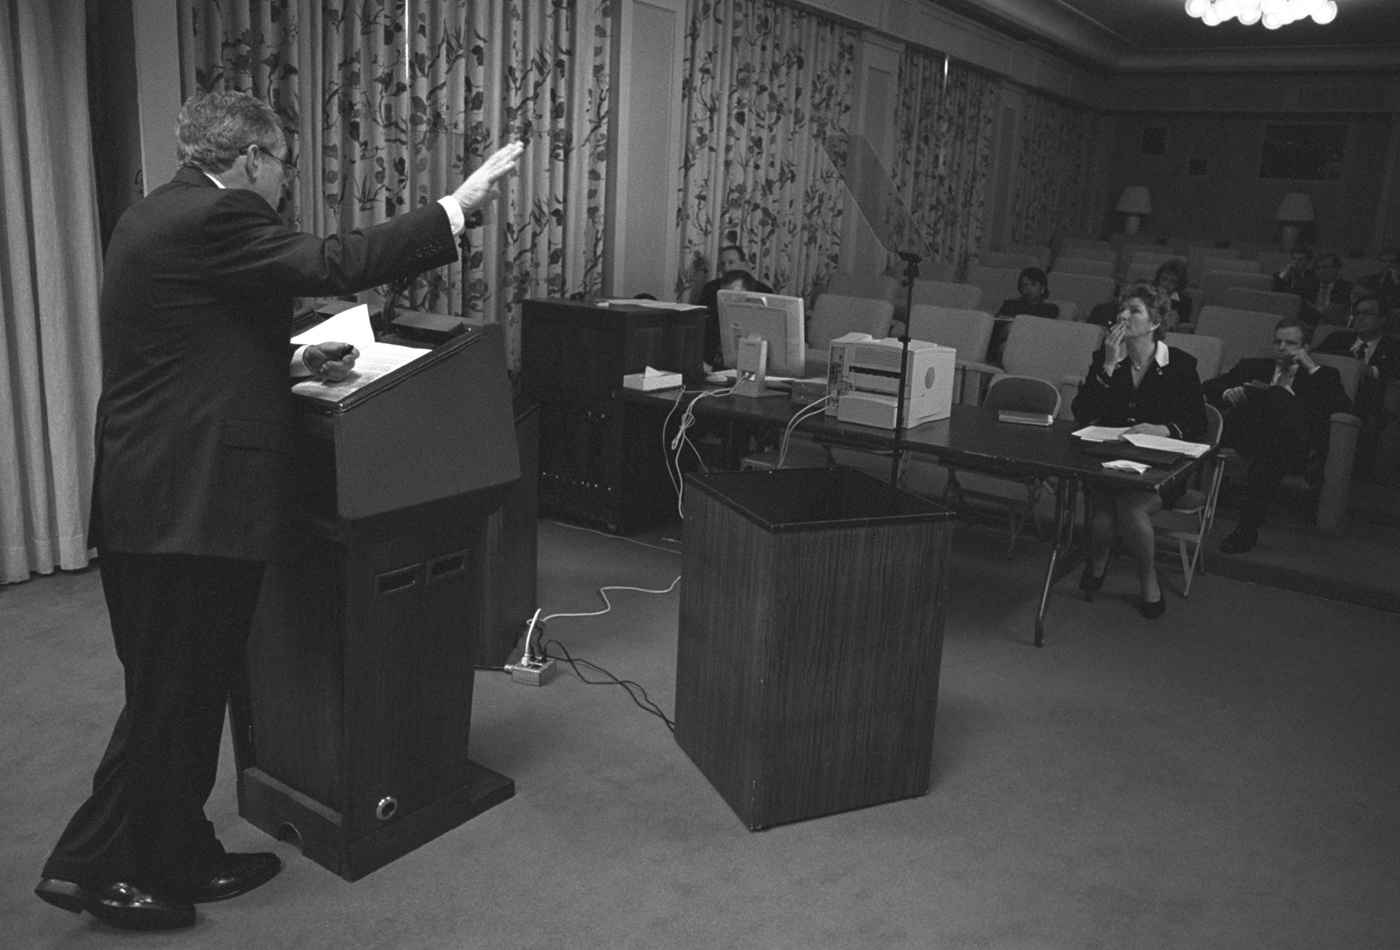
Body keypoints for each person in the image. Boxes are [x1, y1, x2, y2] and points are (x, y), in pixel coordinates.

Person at [33, 91, 524, 931]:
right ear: (252, 159)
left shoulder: (158, 213)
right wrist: (456, 207)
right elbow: (333, 260)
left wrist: (299, 349)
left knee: (183, 691)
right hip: (184, 508)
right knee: (171, 695)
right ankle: (97, 869)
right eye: (284, 163)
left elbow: (198, 333)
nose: (286, 180)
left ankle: (178, 852)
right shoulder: (214, 219)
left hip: (157, 496)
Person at [1071, 282, 1207, 619]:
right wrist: (1107, 366)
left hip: (1161, 467)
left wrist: (1162, 429)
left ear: (1155, 322)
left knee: (1130, 508)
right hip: (1111, 459)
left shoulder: (1180, 365)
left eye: (1135, 311)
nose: (1123, 316)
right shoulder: (1105, 358)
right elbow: (1082, 413)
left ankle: (1148, 579)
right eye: (1122, 309)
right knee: (1102, 515)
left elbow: (1197, 426)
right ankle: (1099, 562)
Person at [1204, 316, 1348, 555]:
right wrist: (1229, 392)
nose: (1281, 348)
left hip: (1294, 445)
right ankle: (1246, 528)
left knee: (1276, 410)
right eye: (1277, 341)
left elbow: (1342, 406)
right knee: (1269, 433)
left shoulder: (1323, 375)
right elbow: (1208, 386)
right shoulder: (1252, 366)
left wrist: (1311, 367)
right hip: (1248, 436)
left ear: (1306, 347)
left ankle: (1246, 527)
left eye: (1290, 343)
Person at [1314, 293, 1400, 478]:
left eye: (1367, 313)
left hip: (1369, 405)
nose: (1359, 317)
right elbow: (1312, 359)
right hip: (1329, 397)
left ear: (1382, 319)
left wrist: (1371, 371)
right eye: (1357, 312)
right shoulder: (1336, 339)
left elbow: (1395, 371)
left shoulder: (1394, 348)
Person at [697, 245, 773, 367]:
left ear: (744, 264)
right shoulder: (711, 288)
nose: (726, 268)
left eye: (731, 262)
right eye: (723, 264)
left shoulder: (763, 291)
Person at [990, 267, 1059, 362]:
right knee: (1005, 345)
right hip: (1006, 344)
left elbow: (1045, 336)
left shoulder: (1050, 309)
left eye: (1033, 284)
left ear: (1042, 288)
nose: (1029, 288)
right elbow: (996, 330)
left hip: (1034, 347)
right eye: (1024, 285)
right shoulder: (1009, 304)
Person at [1302, 253, 1351, 324]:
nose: (1321, 270)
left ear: (1337, 269)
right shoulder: (1306, 286)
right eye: (1318, 268)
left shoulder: (1346, 289)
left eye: (1325, 267)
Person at [1153, 259, 1192, 328]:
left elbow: (1183, 327)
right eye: (1164, 279)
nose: (1167, 284)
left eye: (1172, 281)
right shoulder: (1148, 293)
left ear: (1178, 284)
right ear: (1159, 278)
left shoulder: (1185, 302)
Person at [1360, 246, 1399, 310]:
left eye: (1392, 261)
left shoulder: (1398, 282)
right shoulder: (1369, 280)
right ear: (1379, 263)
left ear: (1398, 263)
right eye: (1384, 261)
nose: (1387, 264)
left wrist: (1396, 282)